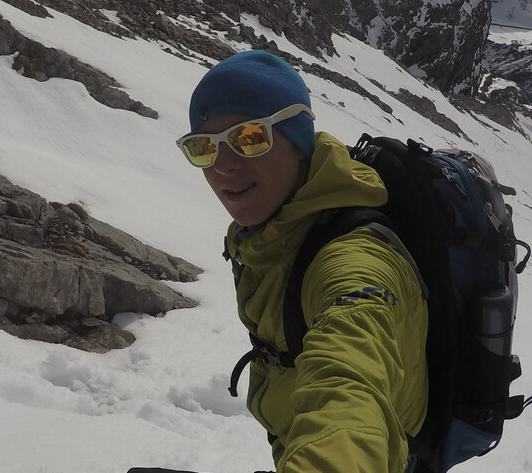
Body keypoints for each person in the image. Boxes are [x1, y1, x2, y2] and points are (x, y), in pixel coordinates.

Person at [176, 50, 429, 473]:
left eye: (249, 137)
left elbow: (350, 393)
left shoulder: (352, 262)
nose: (223, 166)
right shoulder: (273, 233)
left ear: (299, 140)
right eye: (203, 147)